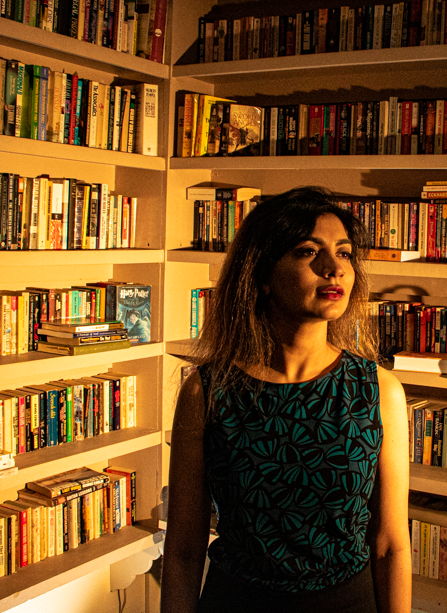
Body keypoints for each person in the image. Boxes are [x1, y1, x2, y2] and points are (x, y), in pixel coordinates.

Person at [161, 187, 411, 613]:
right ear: (261, 274)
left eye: (344, 253)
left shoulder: (377, 390)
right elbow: (184, 548)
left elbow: (390, 545)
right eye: (307, 251)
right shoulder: (207, 391)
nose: (334, 268)